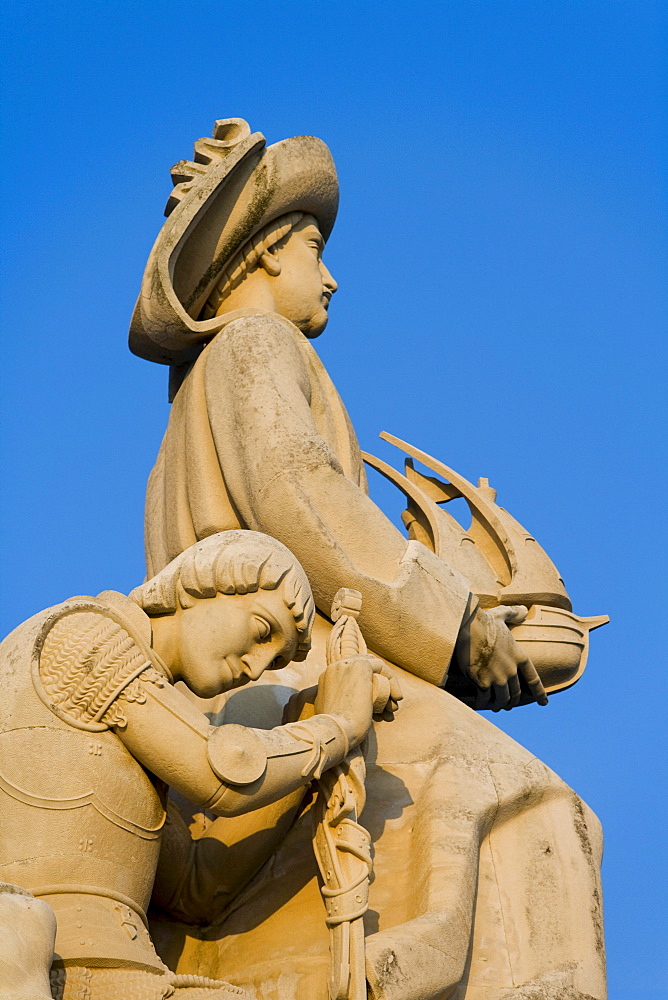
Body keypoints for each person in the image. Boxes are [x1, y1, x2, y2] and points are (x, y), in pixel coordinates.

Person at [130, 120, 606, 999]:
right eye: (314, 247)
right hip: (289, 671)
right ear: (267, 255)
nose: (332, 273)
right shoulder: (258, 346)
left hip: (249, 680)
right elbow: (305, 500)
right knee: (533, 802)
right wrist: (456, 628)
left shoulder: (200, 390)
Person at [0, 530, 393, 1000]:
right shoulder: (82, 635)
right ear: (202, 587)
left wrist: (302, 725)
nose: (256, 666)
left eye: (275, 662)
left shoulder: (130, 739)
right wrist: (339, 725)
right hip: (54, 966)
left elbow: (195, 887)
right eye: (262, 632)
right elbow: (220, 772)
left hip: (120, 976)